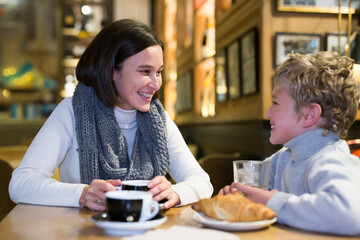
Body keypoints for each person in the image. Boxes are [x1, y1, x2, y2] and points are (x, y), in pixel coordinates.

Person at [9, 19, 213, 211]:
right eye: (144, 71)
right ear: (111, 71)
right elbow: (21, 183)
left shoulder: (159, 119)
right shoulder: (72, 110)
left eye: (158, 72)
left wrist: (175, 192)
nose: (156, 83)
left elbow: (201, 181)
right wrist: (82, 194)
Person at [220, 51, 360, 236]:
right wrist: (240, 197)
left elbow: (349, 215)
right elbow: (257, 196)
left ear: (309, 114)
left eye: (275, 103)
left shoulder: (332, 160)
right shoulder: (282, 159)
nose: (268, 113)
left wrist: (273, 202)